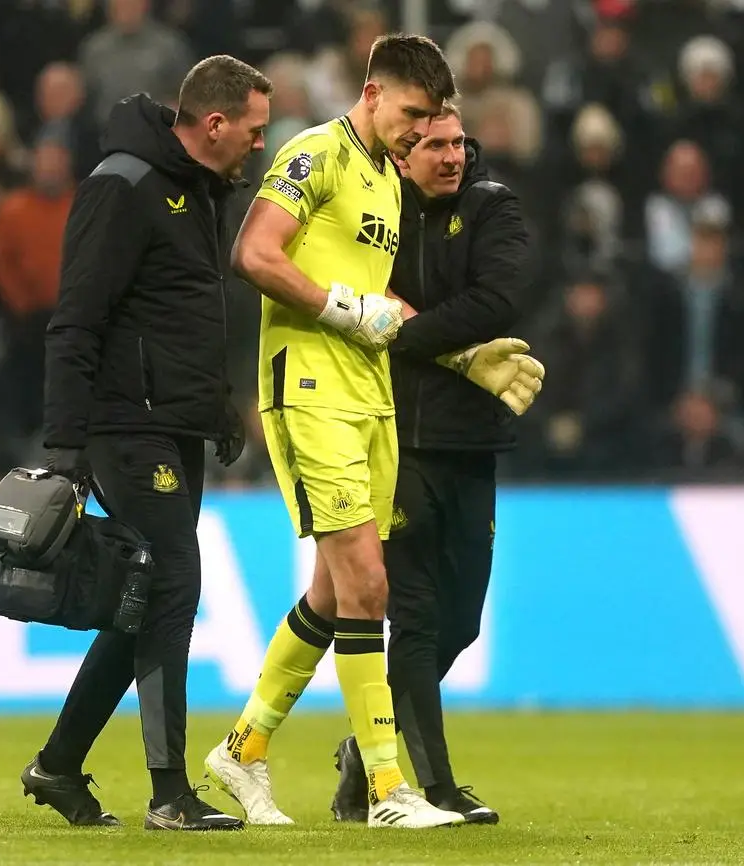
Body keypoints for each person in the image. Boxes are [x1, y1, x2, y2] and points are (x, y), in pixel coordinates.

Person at [201, 34, 468, 829]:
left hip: (369, 393)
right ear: (375, 92)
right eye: (414, 115)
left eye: (432, 121)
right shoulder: (314, 153)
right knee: (367, 586)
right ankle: (389, 789)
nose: (421, 134)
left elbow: (374, 300)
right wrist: (335, 308)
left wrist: (465, 352)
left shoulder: (389, 178)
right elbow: (252, 253)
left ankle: (242, 749)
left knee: (333, 590)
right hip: (309, 388)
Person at [22, 55, 272, 832]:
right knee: (173, 585)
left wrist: (217, 410)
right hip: (123, 427)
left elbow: (176, 317)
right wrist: (64, 444)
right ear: (216, 123)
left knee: (138, 604)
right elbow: (77, 320)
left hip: (173, 425)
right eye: (255, 130)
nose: (260, 147)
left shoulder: (197, 190)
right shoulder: (122, 185)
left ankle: (58, 765)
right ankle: (169, 793)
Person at [328, 106, 532, 825]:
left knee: (461, 622)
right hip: (395, 440)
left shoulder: (491, 207)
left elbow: (497, 301)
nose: (450, 157)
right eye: (433, 145)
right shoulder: (373, 207)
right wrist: (439, 344)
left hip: (473, 443)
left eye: (457, 143)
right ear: (404, 153)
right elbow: (343, 296)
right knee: (412, 619)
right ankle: (435, 785)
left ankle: (363, 747)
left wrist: (399, 330)